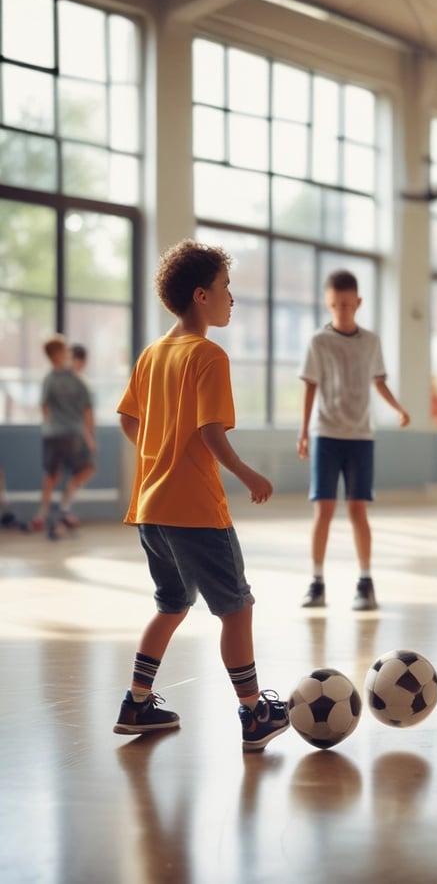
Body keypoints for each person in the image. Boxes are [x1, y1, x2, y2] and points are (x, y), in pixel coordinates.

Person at [113, 239, 289, 752]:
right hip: (194, 509)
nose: (231, 298)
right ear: (200, 296)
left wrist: (160, 450)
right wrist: (247, 474)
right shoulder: (208, 355)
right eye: (225, 289)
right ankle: (255, 713)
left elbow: (128, 420)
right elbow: (212, 432)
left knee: (171, 605)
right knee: (236, 608)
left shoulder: (153, 354)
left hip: (151, 508)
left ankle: (137, 702)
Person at [297, 268, 410, 611]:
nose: (341, 310)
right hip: (327, 435)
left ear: (358, 302)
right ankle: (316, 581)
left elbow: (379, 382)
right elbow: (310, 385)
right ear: (327, 303)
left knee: (358, 509)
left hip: (361, 436)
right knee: (324, 510)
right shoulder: (319, 341)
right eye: (335, 305)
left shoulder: (371, 342)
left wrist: (398, 409)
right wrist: (303, 432)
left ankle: (365, 580)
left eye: (347, 304)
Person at [30, 333, 96, 537]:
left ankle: (43, 513)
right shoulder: (76, 379)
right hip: (72, 434)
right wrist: (91, 439)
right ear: (59, 353)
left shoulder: (48, 379)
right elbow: (87, 412)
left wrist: (52, 424)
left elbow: (44, 408)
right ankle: (63, 507)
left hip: (51, 433)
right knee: (87, 468)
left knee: (51, 475)